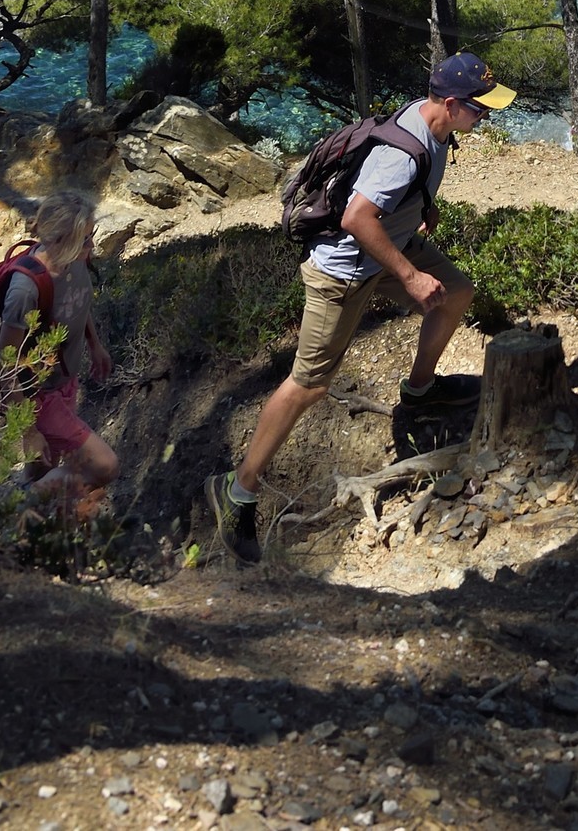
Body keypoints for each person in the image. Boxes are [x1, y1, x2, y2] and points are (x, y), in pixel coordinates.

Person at [204, 52, 515, 561]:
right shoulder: (404, 152)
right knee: (309, 384)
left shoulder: (433, 123)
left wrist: (424, 210)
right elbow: (355, 218)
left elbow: (396, 195)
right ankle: (237, 490)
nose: (487, 117)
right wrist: (411, 276)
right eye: (481, 110)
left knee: (456, 292)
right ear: (453, 104)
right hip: (344, 271)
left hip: (390, 247)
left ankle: (419, 392)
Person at [0, 192, 117, 519]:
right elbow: (4, 364)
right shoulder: (25, 290)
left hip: (65, 383)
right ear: (62, 240)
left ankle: (35, 532)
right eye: (86, 238)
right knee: (104, 465)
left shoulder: (75, 260)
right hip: (37, 396)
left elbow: (76, 302)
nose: (92, 245)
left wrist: (94, 343)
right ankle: (19, 506)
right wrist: (28, 430)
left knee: (44, 467)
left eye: (92, 235)